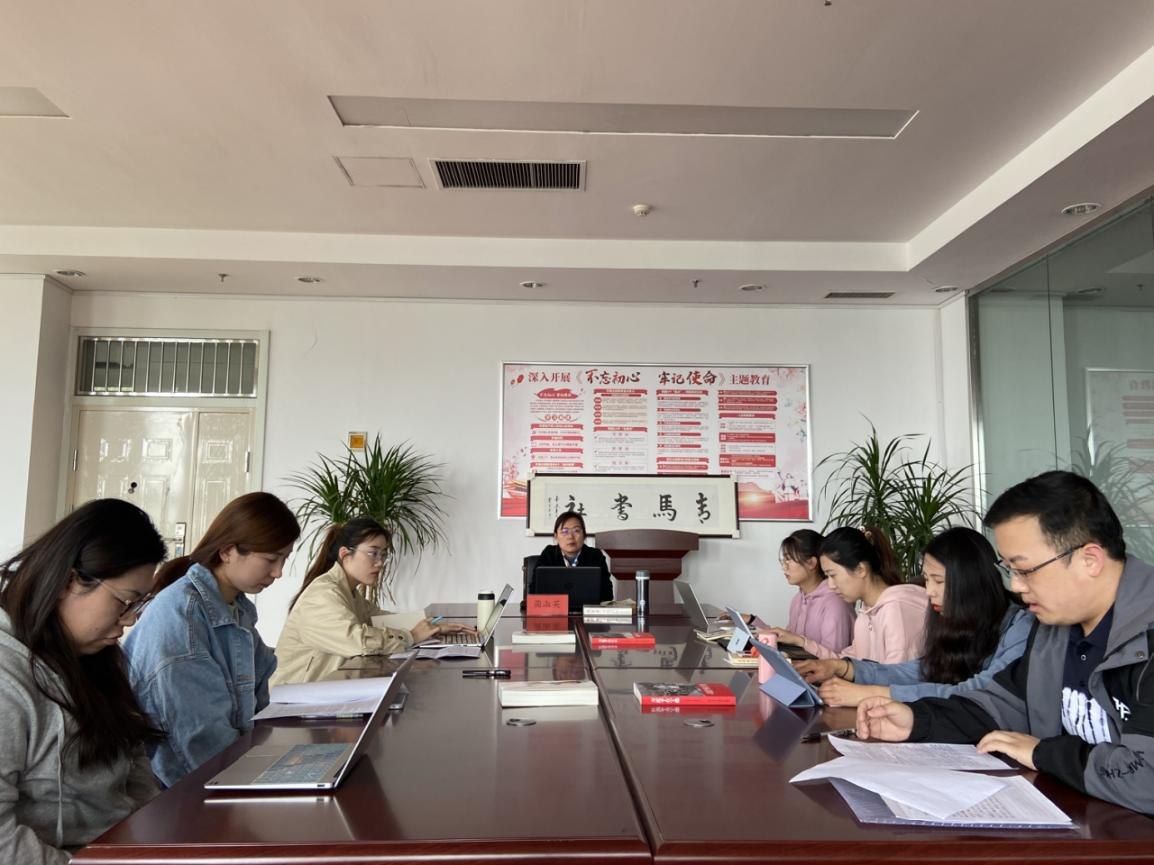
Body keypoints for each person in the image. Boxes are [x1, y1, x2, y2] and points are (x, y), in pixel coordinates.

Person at [857, 471, 1154, 816]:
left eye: (1025, 570)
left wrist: (1042, 753)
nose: (1015, 586)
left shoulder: (1143, 639)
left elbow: (1146, 778)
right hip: (1081, 821)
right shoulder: (1054, 629)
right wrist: (917, 719)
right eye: (1009, 569)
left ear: (1089, 560)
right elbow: (1004, 702)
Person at [0, 499, 166, 865]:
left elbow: (135, 769)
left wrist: (157, 848)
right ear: (68, 582)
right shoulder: (7, 679)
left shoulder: (94, 657)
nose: (130, 620)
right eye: (125, 602)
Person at [124, 491, 300, 787]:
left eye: (284, 559)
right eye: (271, 559)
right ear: (228, 551)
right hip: (181, 793)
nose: (279, 572)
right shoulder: (183, 618)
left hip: (223, 773)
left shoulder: (237, 609)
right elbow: (202, 745)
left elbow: (260, 705)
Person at [796, 526, 1032, 707]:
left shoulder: (1019, 627)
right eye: (927, 580)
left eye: (938, 581)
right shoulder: (954, 621)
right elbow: (923, 669)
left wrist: (873, 694)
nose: (929, 592)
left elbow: (978, 692)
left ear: (971, 580)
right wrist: (843, 668)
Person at [272, 517, 475, 685]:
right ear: (345, 554)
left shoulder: (348, 591)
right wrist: (411, 636)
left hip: (323, 692)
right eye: (373, 553)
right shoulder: (323, 594)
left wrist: (433, 625)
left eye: (383, 554)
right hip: (291, 703)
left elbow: (380, 619)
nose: (380, 562)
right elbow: (357, 642)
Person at [768, 526, 928, 663]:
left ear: (861, 570)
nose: (830, 585)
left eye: (833, 575)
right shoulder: (866, 614)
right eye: (827, 576)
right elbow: (846, 661)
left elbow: (896, 681)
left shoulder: (895, 610)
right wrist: (801, 642)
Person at [770, 529, 855, 654]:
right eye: (783, 560)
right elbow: (790, 643)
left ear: (811, 563)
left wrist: (800, 641)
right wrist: (752, 620)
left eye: (789, 559)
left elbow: (835, 659)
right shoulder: (797, 599)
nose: (784, 567)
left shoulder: (835, 603)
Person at [534, 511, 612, 602]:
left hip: (586, 609)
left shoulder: (595, 556)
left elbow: (607, 595)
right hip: (556, 609)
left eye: (576, 531)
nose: (570, 536)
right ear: (556, 536)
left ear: (584, 535)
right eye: (564, 531)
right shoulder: (548, 554)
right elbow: (533, 591)